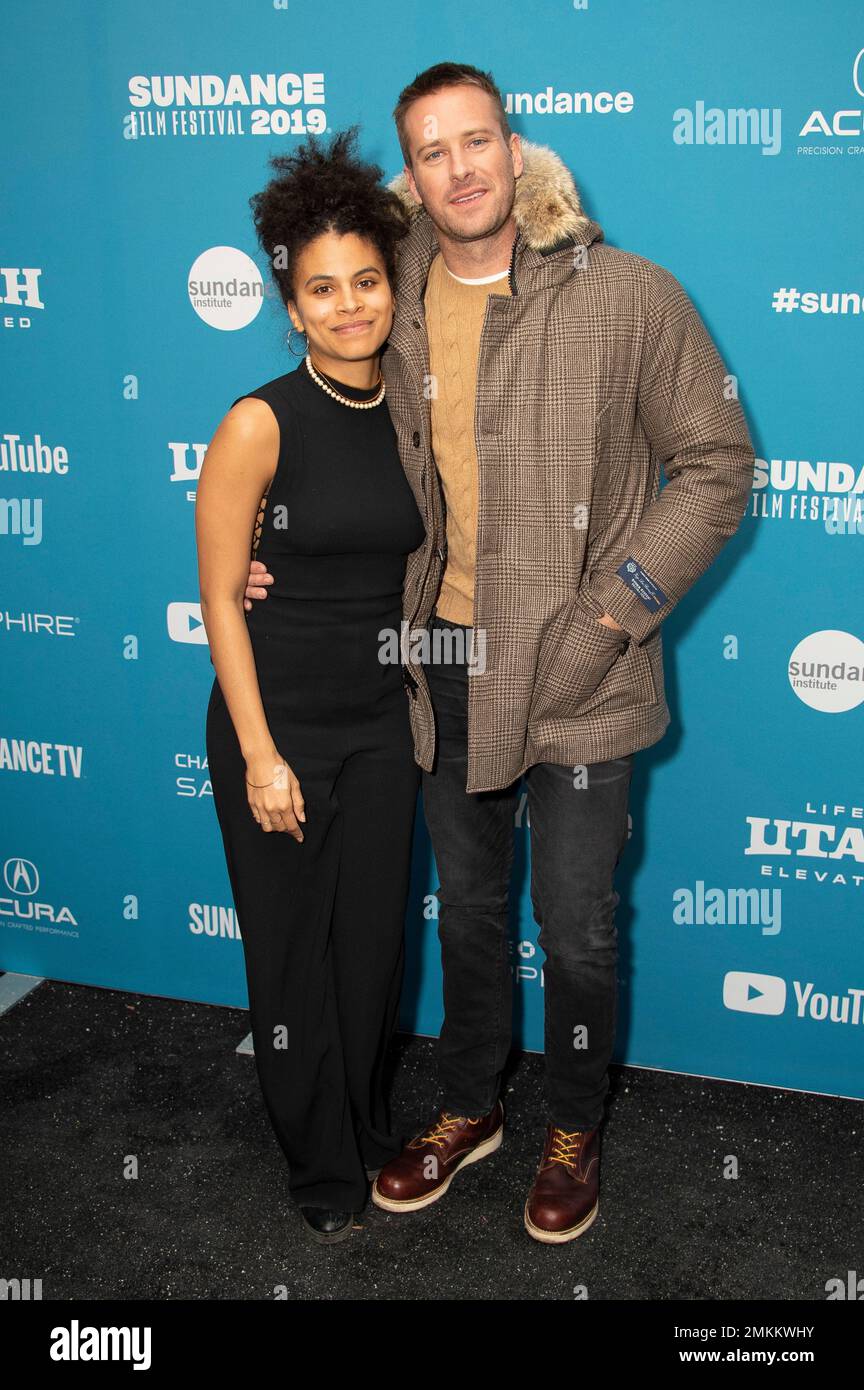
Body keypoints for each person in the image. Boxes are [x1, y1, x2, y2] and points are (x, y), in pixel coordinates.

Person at [245, 62, 756, 1244]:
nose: (460, 168)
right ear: (410, 177)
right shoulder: (400, 288)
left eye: (478, 141)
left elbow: (720, 465)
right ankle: (470, 1103)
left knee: (574, 922)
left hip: (586, 675)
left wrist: (608, 612)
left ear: (515, 151)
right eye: (432, 151)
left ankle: (573, 1125)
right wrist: (266, 548)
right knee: (469, 909)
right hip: (444, 667)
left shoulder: (631, 295)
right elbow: (333, 431)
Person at [197, 127, 425, 1244]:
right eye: (321, 289)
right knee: (291, 955)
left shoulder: (417, 419)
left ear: (394, 286)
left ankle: (371, 1126)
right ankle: (318, 1162)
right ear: (290, 306)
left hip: (385, 722)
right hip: (277, 721)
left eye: (366, 283)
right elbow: (219, 605)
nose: (348, 307)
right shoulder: (256, 422)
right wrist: (258, 753)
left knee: (372, 946)